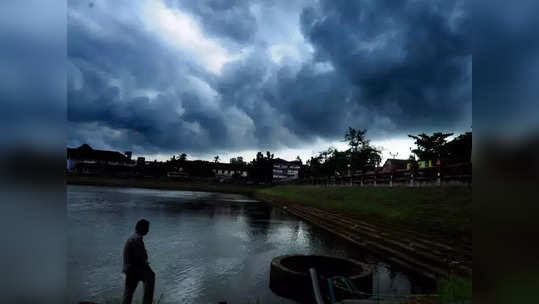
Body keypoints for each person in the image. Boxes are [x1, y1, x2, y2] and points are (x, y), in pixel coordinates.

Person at [122, 219, 155, 304]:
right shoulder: (136, 239)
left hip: (130, 268)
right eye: (147, 228)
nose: (148, 230)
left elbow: (139, 257)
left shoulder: (134, 237)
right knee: (151, 277)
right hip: (134, 269)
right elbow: (141, 258)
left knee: (128, 292)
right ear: (143, 229)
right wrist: (147, 267)